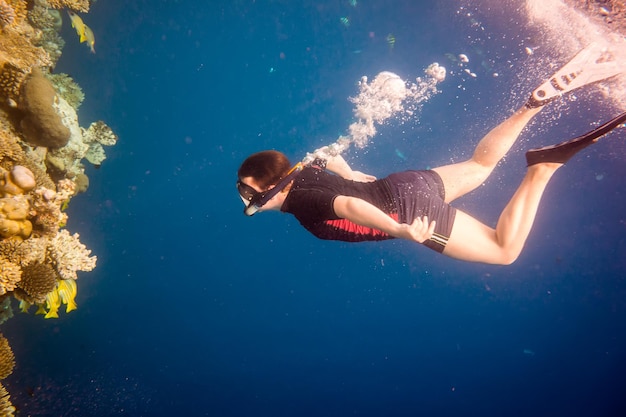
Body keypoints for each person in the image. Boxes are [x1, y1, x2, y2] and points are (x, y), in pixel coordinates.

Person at [236, 47, 626, 265]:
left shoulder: (299, 201)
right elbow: (353, 178)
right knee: (481, 165)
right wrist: (349, 171)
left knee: (504, 251)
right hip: (404, 185)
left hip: (408, 214)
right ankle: (533, 106)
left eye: (244, 189)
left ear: (269, 186)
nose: (242, 196)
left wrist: (402, 230)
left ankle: (541, 169)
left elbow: (351, 206)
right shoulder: (306, 173)